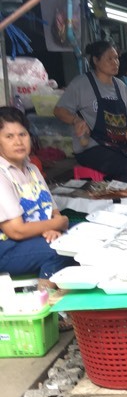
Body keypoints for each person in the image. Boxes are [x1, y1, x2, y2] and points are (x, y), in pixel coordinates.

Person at [54, 41, 127, 187]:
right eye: (110, 58)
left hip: (117, 145)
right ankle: (115, 200)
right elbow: (59, 110)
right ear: (96, 60)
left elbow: (125, 118)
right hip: (91, 148)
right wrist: (76, 120)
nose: (115, 62)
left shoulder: (120, 86)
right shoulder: (81, 84)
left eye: (116, 58)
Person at [0, 107, 73, 284]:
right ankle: (46, 297)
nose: (18, 141)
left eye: (22, 135)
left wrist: (54, 227)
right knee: (61, 249)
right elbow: (15, 230)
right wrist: (57, 223)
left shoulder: (31, 169)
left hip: (32, 237)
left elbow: (53, 210)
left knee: (86, 233)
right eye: (9, 137)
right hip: (6, 248)